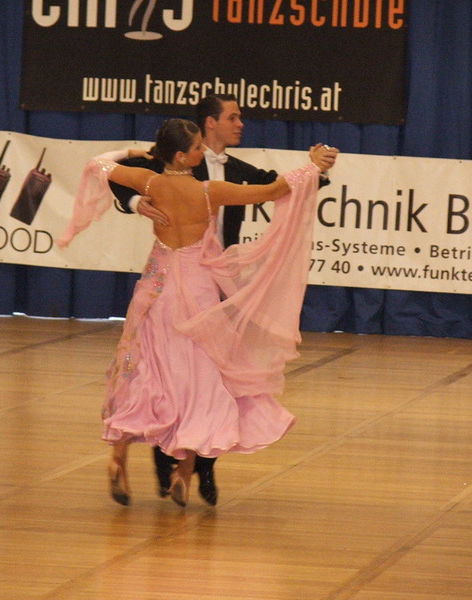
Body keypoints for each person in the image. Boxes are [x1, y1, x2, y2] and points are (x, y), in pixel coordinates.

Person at [58, 119, 335, 507]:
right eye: (197, 148)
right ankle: (183, 473)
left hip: (155, 289)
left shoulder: (149, 183)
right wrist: (313, 167)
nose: (203, 152)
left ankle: (118, 459)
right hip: (197, 292)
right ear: (181, 156)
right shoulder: (208, 192)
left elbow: (98, 164)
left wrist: (132, 153)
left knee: (143, 370)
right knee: (198, 380)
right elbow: (273, 190)